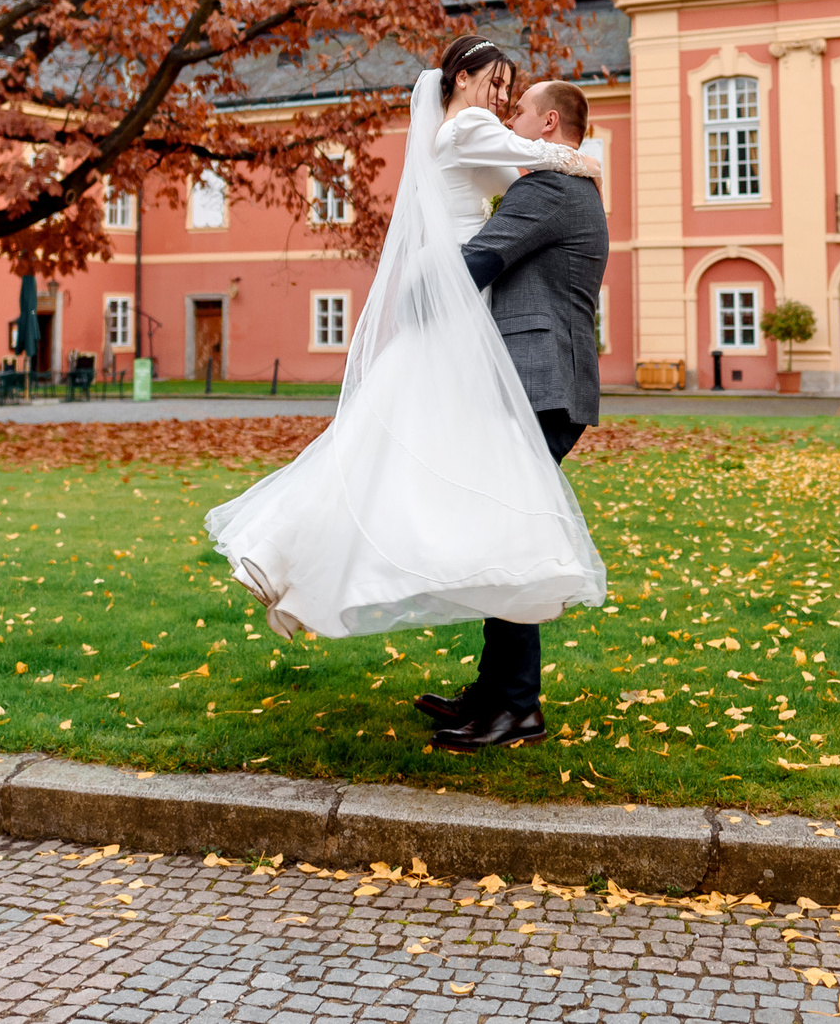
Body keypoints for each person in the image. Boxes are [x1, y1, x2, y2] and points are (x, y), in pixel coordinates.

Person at [204, 36, 608, 674]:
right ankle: (502, 691)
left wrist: (565, 162)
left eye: (513, 92)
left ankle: (500, 690)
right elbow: (525, 159)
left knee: (397, 454)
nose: (503, 100)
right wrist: (582, 160)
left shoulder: (479, 139)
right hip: (452, 290)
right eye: (497, 83)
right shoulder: (473, 126)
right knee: (456, 486)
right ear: (464, 78)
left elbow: (520, 177)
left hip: (459, 295)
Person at [418, 73, 610, 751]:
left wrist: (406, 297)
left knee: (511, 540)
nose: (510, 117)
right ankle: (496, 690)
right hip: (545, 383)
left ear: (550, 123)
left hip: (539, 385)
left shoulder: (548, 188)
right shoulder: (571, 185)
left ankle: (516, 706)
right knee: (503, 531)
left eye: (520, 109)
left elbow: (477, 263)